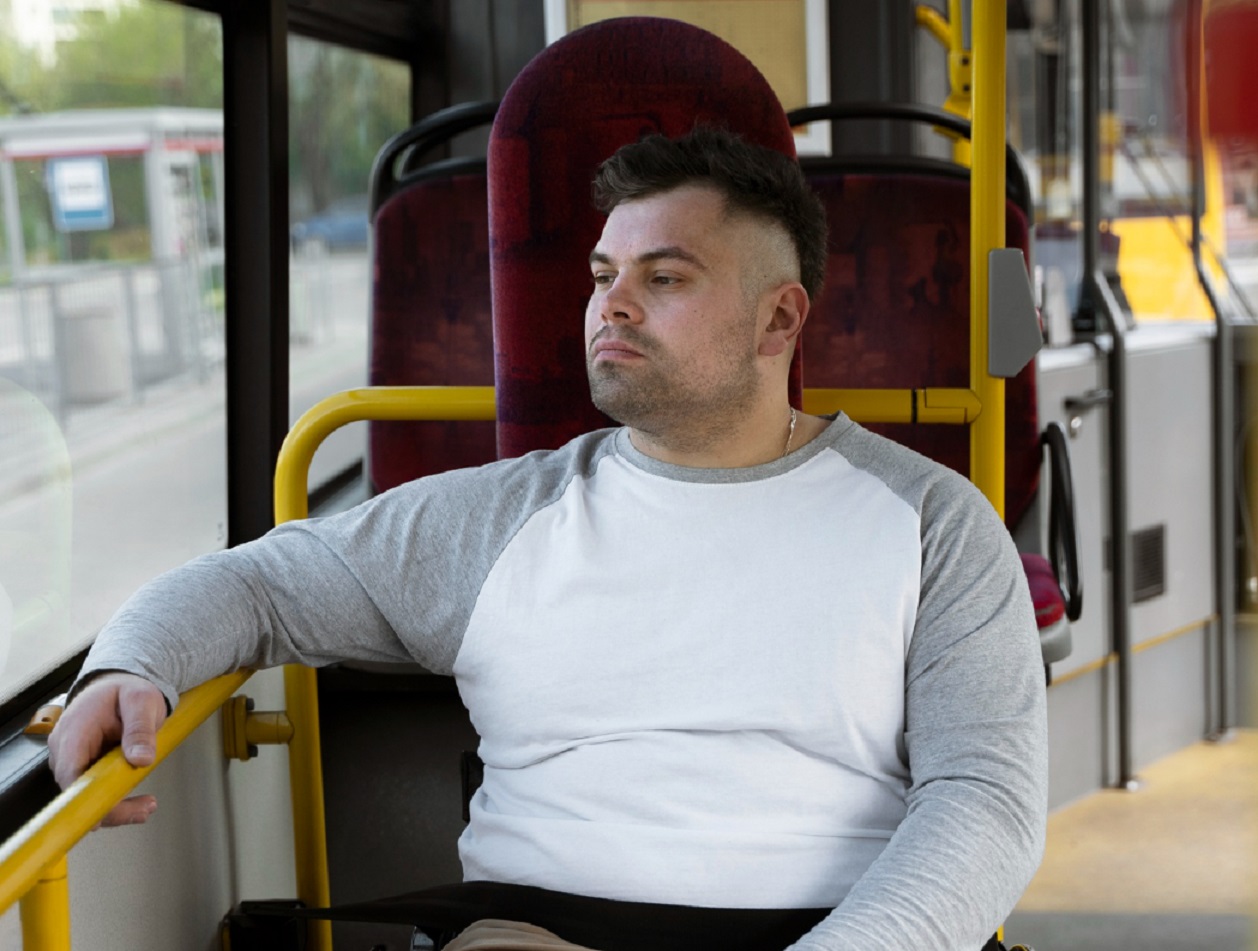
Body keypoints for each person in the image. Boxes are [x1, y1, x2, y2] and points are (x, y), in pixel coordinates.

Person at [49, 127, 1047, 951]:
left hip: (839, 926)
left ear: (777, 320)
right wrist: (131, 663)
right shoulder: (499, 517)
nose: (610, 304)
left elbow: (984, 799)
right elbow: (260, 586)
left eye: (664, 278)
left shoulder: (929, 522)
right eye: (603, 273)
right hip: (541, 935)